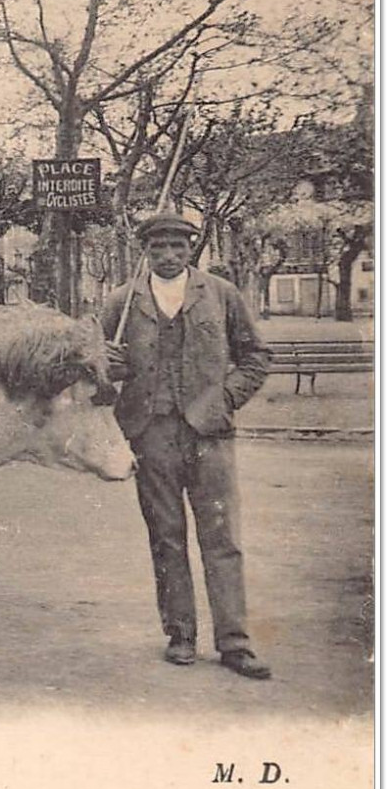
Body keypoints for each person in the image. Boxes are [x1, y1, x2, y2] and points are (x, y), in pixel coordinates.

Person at [101, 212, 273, 680]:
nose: (169, 256)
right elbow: (101, 370)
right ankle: (180, 634)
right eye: (159, 248)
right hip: (150, 435)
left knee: (222, 538)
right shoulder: (121, 302)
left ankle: (235, 643)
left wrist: (225, 400)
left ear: (191, 248)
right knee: (166, 537)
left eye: (178, 247)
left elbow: (257, 357)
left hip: (209, 434)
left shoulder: (220, 294)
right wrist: (108, 364)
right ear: (146, 252)